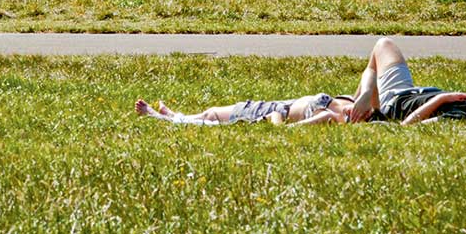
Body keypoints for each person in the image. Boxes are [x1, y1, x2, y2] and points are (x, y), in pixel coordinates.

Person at [349, 37, 466, 124]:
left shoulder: (459, 117)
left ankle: (356, 103)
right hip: (408, 89)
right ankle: (358, 98)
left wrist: (441, 99)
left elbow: (407, 125)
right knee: (384, 44)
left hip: (393, 102)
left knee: (373, 68)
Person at [134, 92, 347, 126]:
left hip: (269, 112)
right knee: (211, 112)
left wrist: (274, 120)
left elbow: (288, 129)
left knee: (213, 117)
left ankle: (167, 119)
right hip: (276, 103)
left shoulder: (330, 117)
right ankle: (177, 116)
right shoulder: (351, 104)